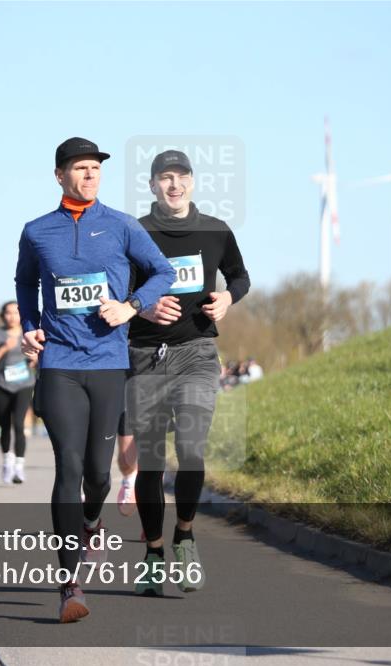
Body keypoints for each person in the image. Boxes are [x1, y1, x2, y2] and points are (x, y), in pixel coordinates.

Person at [16, 137, 175, 622]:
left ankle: (90, 522)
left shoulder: (122, 226)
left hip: (108, 364)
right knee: (67, 467)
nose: (90, 175)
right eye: (81, 168)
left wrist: (130, 305)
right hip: (60, 364)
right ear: (60, 175)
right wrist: (29, 327)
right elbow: (25, 282)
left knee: (98, 476)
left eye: (96, 169)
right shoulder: (37, 232)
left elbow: (162, 272)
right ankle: (70, 586)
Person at [127, 150, 250, 596]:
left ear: (193, 182)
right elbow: (116, 288)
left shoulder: (215, 231)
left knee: (192, 451)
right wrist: (145, 304)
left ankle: (185, 534)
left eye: (180, 176)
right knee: (152, 461)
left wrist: (228, 300)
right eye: (164, 177)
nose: (173, 184)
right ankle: (155, 554)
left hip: (198, 352)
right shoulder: (135, 232)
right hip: (145, 354)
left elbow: (239, 276)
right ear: (153, 185)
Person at [0, 301, 35, 484]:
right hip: (2, 385)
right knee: (5, 425)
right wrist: (5, 347)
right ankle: (7, 460)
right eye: (8, 313)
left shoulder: (28, 333)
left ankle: (19, 466)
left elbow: (38, 355)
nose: (12, 316)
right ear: (3, 315)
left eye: (16, 312)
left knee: (19, 424)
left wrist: (34, 359)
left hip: (24, 384)